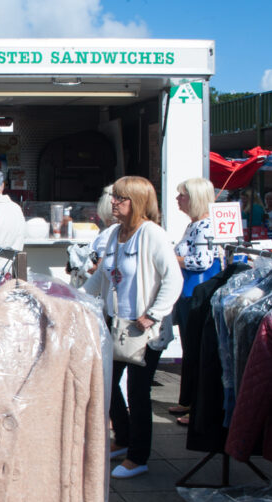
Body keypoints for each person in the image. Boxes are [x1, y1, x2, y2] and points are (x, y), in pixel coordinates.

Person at [84, 176, 182, 479]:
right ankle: (124, 439)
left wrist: (153, 314)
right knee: (108, 384)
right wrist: (76, 300)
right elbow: (102, 277)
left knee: (138, 392)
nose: (114, 202)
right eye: (114, 197)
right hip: (116, 324)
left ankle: (138, 457)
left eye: (121, 198)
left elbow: (173, 279)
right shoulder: (114, 233)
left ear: (137, 202)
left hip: (143, 329)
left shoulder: (152, 234)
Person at [168, 177, 221, 424]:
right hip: (189, 292)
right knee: (191, 349)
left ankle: (196, 407)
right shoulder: (194, 226)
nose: (178, 199)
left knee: (197, 350)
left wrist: (170, 259)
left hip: (197, 293)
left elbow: (201, 261)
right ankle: (188, 400)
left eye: (182, 195)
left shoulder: (204, 226)